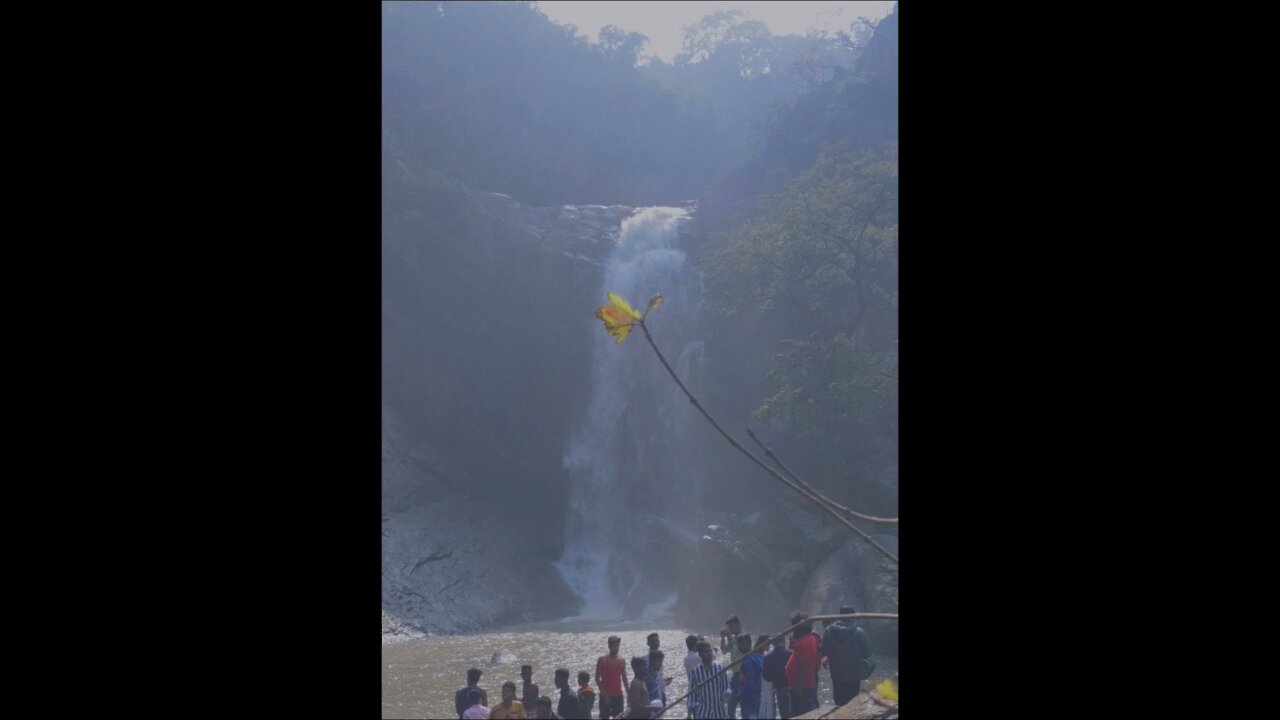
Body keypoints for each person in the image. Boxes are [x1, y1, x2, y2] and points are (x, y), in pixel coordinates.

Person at [820, 605, 874, 706]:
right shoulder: (859, 632)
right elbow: (867, 653)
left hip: (837, 673)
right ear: (852, 616)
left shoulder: (828, 631)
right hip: (854, 674)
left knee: (839, 703)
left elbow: (824, 650)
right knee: (852, 704)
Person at [784, 613, 819, 716]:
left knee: (802, 714)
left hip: (802, 687)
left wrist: (798, 686)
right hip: (804, 684)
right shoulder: (810, 638)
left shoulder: (803, 643)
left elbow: (803, 666)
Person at [689, 641, 730, 720]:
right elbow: (691, 695)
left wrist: (727, 694)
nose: (709, 653)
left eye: (710, 650)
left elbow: (726, 687)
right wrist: (689, 714)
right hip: (703, 713)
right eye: (706, 652)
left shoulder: (720, 668)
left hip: (720, 712)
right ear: (700, 654)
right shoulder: (695, 672)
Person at [596, 635, 629, 720]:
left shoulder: (621, 660)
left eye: (617, 646)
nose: (616, 648)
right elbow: (597, 679)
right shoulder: (602, 660)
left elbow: (625, 679)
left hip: (618, 696)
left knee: (619, 718)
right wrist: (604, 695)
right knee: (604, 717)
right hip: (605, 696)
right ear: (609, 646)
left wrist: (629, 694)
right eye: (613, 646)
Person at [735, 635, 764, 720]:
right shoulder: (754, 658)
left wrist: (741, 693)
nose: (738, 647)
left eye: (740, 644)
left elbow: (749, 681)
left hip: (749, 697)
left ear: (747, 644)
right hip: (755, 695)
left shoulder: (748, 661)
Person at [761, 635, 790, 720]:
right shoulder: (790, 654)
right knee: (793, 710)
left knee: (783, 711)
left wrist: (773, 679)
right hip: (791, 686)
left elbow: (765, 675)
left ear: (773, 644)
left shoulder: (767, 657)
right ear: (784, 642)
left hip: (777, 686)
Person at [683, 635, 701, 717]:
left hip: (692, 688)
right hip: (700, 689)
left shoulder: (687, 658)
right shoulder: (696, 657)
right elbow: (713, 657)